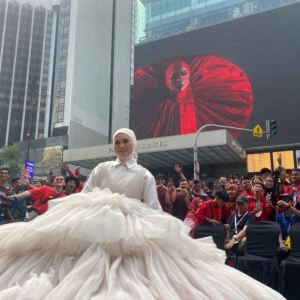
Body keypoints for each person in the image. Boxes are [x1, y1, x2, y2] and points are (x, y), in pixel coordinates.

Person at [0, 128, 285, 299]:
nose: (122, 146)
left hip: (131, 227)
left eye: (126, 141)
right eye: (118, 142)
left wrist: (162, 228)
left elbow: (153, 207)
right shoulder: (102, 169)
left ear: (134, 143)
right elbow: (85, 195)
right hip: (93, 222)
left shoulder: (144, 173)